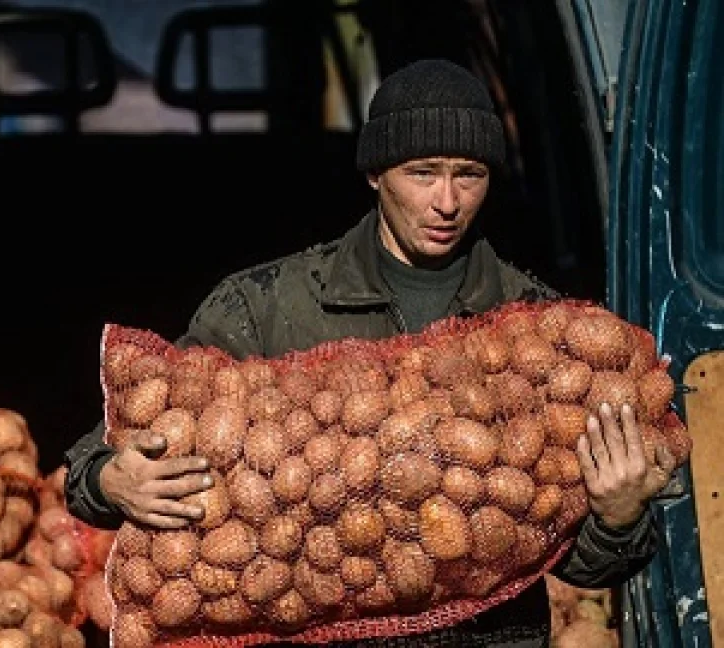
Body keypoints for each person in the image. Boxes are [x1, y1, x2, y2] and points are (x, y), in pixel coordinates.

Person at [62, 59, 677, 647]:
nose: (446, 201)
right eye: (422, 172)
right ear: (376, 173)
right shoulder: (269, 306)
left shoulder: (539, 333)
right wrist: (109, 478)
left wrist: (618, 516)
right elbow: (112, 448)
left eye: (470, 174)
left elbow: (588, 565)